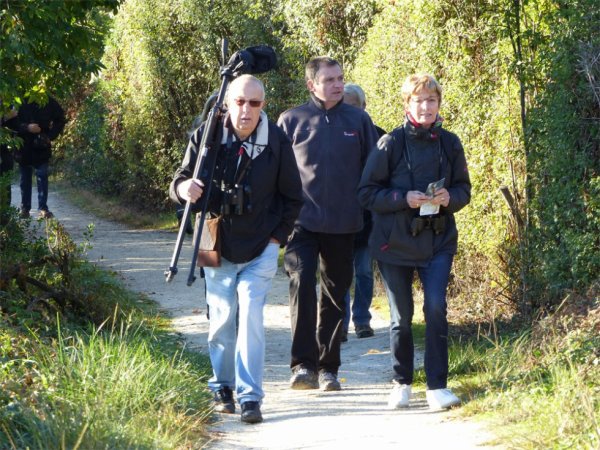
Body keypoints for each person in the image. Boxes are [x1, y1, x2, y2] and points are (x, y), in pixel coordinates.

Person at [169, 74, 303, 424]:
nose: (246, 110)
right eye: (240, 102)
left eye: (254, 103)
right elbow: (179, 179)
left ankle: (250, 397)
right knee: (222, 321)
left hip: (260, 246)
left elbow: (293, 198)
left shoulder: (276, 140)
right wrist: (185, 190)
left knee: (252, 319)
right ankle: (222, 386)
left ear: (263, 105)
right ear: (227, 103)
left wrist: (276, 239)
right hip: (215, 242)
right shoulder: (206, 136)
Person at [357, 74, 471, 410]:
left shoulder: (450, 143)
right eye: (419, 101)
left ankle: (437, 386)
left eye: (431, 100)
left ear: (439, 104)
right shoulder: (389, 143)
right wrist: (401, 197)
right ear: (407, 104)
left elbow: (465, 189)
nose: (426, 107)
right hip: (395, 244)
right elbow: (366, 193)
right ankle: (401, 382)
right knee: (400, 316)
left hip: (438, 240)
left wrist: (453, 197)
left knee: (435, 307)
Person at [277, 57, 379, 391]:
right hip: (301, 224)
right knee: (303, 283)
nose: (337, 84)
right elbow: (275, 173)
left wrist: (368, 211)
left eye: (340, 78)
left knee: (336, 296)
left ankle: (328, 368)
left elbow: (371, 171)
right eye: (329, 79)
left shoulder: (359, 119)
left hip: (344, 223)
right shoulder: (291, 120)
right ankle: (302, 366)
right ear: (311, 84)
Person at [341, 83, 386, 341]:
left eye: (352, 106)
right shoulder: (332, 135)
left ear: (364, 107)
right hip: (340, 219)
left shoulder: (380, 137)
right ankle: (342, 322)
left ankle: (362, 320)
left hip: (368, 219)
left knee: (365, 272)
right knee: (341, 273)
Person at [12, 95, 65, 219]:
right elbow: (10, 122)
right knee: (25, 178)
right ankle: (25, 208)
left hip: (41, 145)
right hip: (23, 145)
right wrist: (26, 127)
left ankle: (43, 208)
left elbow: (60, 119)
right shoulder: (18, 100)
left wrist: (49, 136)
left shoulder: (47, 100)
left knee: (42, 175)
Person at [0, 106, 18, 212]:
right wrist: (5, 118)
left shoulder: (10, 102)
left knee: (6, 183)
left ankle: (5, 216)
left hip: (5, 151)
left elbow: (17, 125)